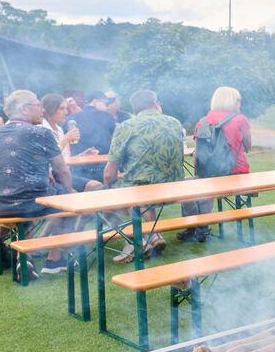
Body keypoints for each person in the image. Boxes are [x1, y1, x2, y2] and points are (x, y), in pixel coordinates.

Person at [0, 90, 77, 274]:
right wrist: (70, 189)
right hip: (28, 202)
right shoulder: (41, 132)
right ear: (24, 108)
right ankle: (54, 260)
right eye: (37, 105)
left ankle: (25, 256)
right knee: (68, 203)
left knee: (28, 198)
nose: (42, 109)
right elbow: (62, 169)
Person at [104, 89, 186, 262]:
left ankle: (135, 242)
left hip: (143, 189)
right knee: (143, 184)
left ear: (134, 109)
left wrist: (108, 183)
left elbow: (109, 174)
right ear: (156, 103)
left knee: (104, 197)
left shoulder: (125, 127)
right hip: (174, 188)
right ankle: (153, 235)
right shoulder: (175, 123)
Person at [178, 86, 252, 242]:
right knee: (207, 188)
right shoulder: (240, 119)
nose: (240, 105)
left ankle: (196, 227)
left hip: (209, 173)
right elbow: (248, 147)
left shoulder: (202, 122)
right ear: (231, 102)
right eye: (238, 101)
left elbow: (198, 153)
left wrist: (200, 175)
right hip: (236, 173)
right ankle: (201, 227)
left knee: (186, 186)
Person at [68, 91, 116, 192]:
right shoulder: (108, 116)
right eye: (105, 103)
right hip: (102, 167)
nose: (107, 107)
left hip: (77, 170)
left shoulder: (70, 118)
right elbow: (114, 143)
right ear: (95, 102)